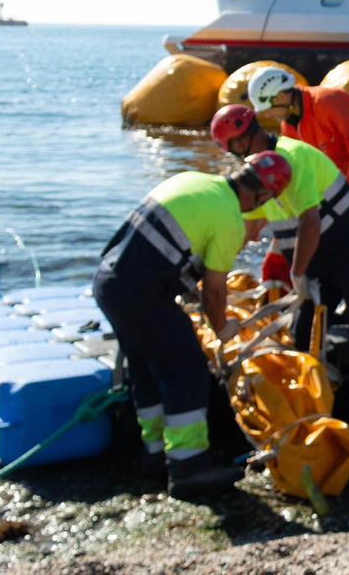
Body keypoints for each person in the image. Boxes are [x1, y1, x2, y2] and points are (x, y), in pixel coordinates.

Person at [92, 152, 290, 499]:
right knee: (187, 368)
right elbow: (215, 291)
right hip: (141, 294)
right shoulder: (229, 218)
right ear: (262, 196)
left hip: (109, 284)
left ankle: (154, 460)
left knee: (147, 372)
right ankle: (188, 469)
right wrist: (224, 328)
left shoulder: (191, 179)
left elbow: (165, 249)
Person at [210, 104, 349, 457]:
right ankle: (310, 414)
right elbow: (248, 229)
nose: (235, 154)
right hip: (317, 258)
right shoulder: (255, 174)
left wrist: (297, 275)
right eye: (229, 149)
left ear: (250, 132)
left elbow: (310, 224)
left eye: (236, 145)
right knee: (302, 333)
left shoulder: (292, 157)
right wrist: (209, 267)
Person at [247, 66, 349, 216]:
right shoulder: (289, 126)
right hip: (337, 165)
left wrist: (347, 195)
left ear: (282, 97)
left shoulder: (328, 101)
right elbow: (301, 167)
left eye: (269, 109)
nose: (268, 115)